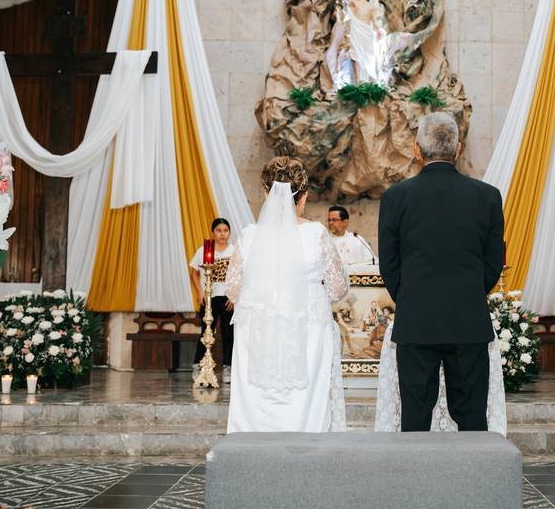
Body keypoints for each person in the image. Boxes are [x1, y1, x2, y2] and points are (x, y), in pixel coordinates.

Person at [376, 112, 506, 433]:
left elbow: (389, 265)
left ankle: (416, 481)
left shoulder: (396, 197)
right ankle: (474, 480)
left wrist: (410, 299)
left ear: (417, 150)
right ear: (458, 149)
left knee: (416, 417)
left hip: (416, 323)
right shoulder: (487, 196)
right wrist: (471, 294)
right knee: (472, 416)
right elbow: (493, 262)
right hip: (468, 322)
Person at [224, 156, 350, 433]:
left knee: (257, 399)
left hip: (259, 334)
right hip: (307, 331)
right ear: (303, 197)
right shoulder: (316, 234)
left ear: (266, 193)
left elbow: (232, 289)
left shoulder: (249, 236)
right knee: (305, 400)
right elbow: (339, 287)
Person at [188, 218, 234, 382]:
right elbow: (193, 272)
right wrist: (199, 292)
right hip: (209, 298)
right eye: (219, 230)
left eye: (225, 230)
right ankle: (198, 366)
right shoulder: (204, 251)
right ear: (213, 232)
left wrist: (234, 296)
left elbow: (240, 275)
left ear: (229, 232)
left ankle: (228, 368)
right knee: (206, 333)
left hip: (228, 299)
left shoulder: (234, 251)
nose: (222, 234)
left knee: (229, 335)